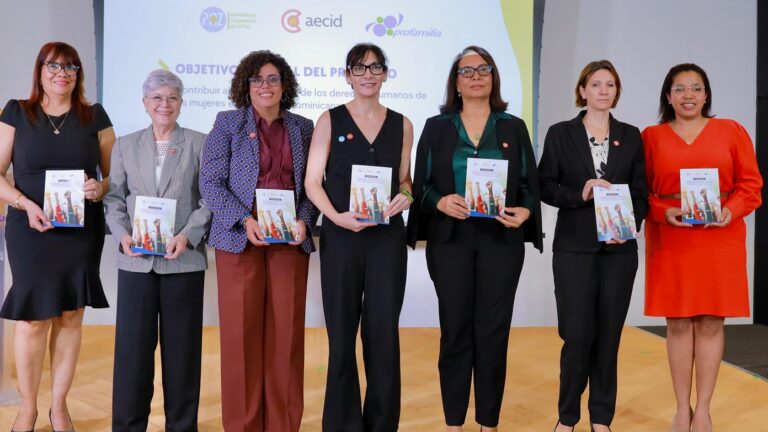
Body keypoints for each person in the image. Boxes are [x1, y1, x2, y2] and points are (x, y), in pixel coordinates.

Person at [407, 46, 542, 432]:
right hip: (451, 241)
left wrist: (526, 210)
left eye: (484, 69)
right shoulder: (437, 126)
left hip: (501, 240)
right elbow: (422, 185)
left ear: (494, 77)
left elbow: (528, 184)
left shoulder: (513, 126)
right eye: (467, 71)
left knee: (493, 331)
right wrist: (440, 201)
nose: (476, 76)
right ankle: (453, 422)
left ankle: (488, 422)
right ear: (456, 82)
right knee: (455, 330)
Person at [199, 50, 318, 432]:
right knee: (240, 338)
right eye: (257, 79)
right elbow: (210, 182)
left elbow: (313, 185)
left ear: (285, 86)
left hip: (289, 243)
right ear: (245, 85)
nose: (265, 86)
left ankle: (283, 425)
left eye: (272, 79)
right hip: (240, 239)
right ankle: (242, 425)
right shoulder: (228, 123)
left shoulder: (303, 127)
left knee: (286, 338)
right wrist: (244, 219)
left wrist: (305, 221)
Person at [0, 41, 115, 432]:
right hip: (29, 228)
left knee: (69, 315)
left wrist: (100, 188)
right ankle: (28, 408)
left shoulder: (95, 116)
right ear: (40, 70)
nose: (61, 73)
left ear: (78, 74)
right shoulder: (17, 112)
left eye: (70, 67)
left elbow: (114, 176)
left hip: (80, 231)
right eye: (53, 66)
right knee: (33, 319)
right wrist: (23, 204)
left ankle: (59, 407)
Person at [642, 63, 762, 432]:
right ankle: (682, 409)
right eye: (680, 89)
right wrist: (663, 211)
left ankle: (704, 410)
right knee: (677, 322)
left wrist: (730, 210)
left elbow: (751, 186)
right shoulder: (651, 137)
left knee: (711, 320)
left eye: (696, 88)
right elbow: (639, 192)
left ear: (706, 94)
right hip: (671, 236)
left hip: (719, 236)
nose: (688, 95)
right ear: (668, 96)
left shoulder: (731, 131)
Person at [304, 42, 413, 431]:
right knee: (341, 333)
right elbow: (312, 182)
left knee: (383, 334)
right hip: (341, 237)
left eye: (376, 67)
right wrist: (335, 218)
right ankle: (343, 424)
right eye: (360, 68)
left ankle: (382, 424)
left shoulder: (402, 124)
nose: (368, 74)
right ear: (347, 76)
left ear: (385, 74)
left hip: (387, 241)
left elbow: (405, 180)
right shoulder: (329, 120)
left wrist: (406, 197)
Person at [537, 60, 648, 432]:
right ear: (582, 90)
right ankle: (567, 417)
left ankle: (601, 418)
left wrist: (630, 225)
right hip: (574, 248)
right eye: (596, 84)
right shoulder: (561, 133)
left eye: (610, 84)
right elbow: (544, 185)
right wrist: (579, 193)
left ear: (617, 92)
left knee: (608, 336)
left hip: (619, 251)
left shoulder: (631, 135)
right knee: (577, 335)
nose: (603, 90)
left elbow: (641, 193)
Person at [104, 69, 211, 431]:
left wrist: (188, 235)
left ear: (181, 103)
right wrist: (122, 234)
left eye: (172, 98)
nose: (164, 104)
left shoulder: (200, 142)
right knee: (132, 355)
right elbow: (115, 198)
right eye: (157, 98)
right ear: (145, 103)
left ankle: (181, 426)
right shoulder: (125, 144)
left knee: (183, 354)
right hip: (136, 261)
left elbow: (210, 200)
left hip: (184, 260)